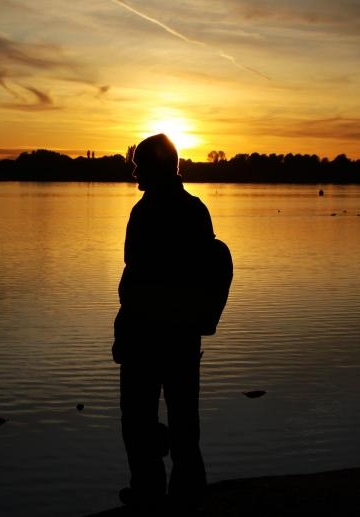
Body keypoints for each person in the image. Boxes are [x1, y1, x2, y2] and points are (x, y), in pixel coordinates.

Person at [113, 133, 214, 509]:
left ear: (157, 167)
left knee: (137, 421)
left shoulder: (146, 211)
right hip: (184, 336)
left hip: (147, 333)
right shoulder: (196, 209)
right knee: (185, 422)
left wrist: (124, 332)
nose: (135, 171)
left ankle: (148, 496)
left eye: (140, 164)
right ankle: (188, 497)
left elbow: (136, 276)